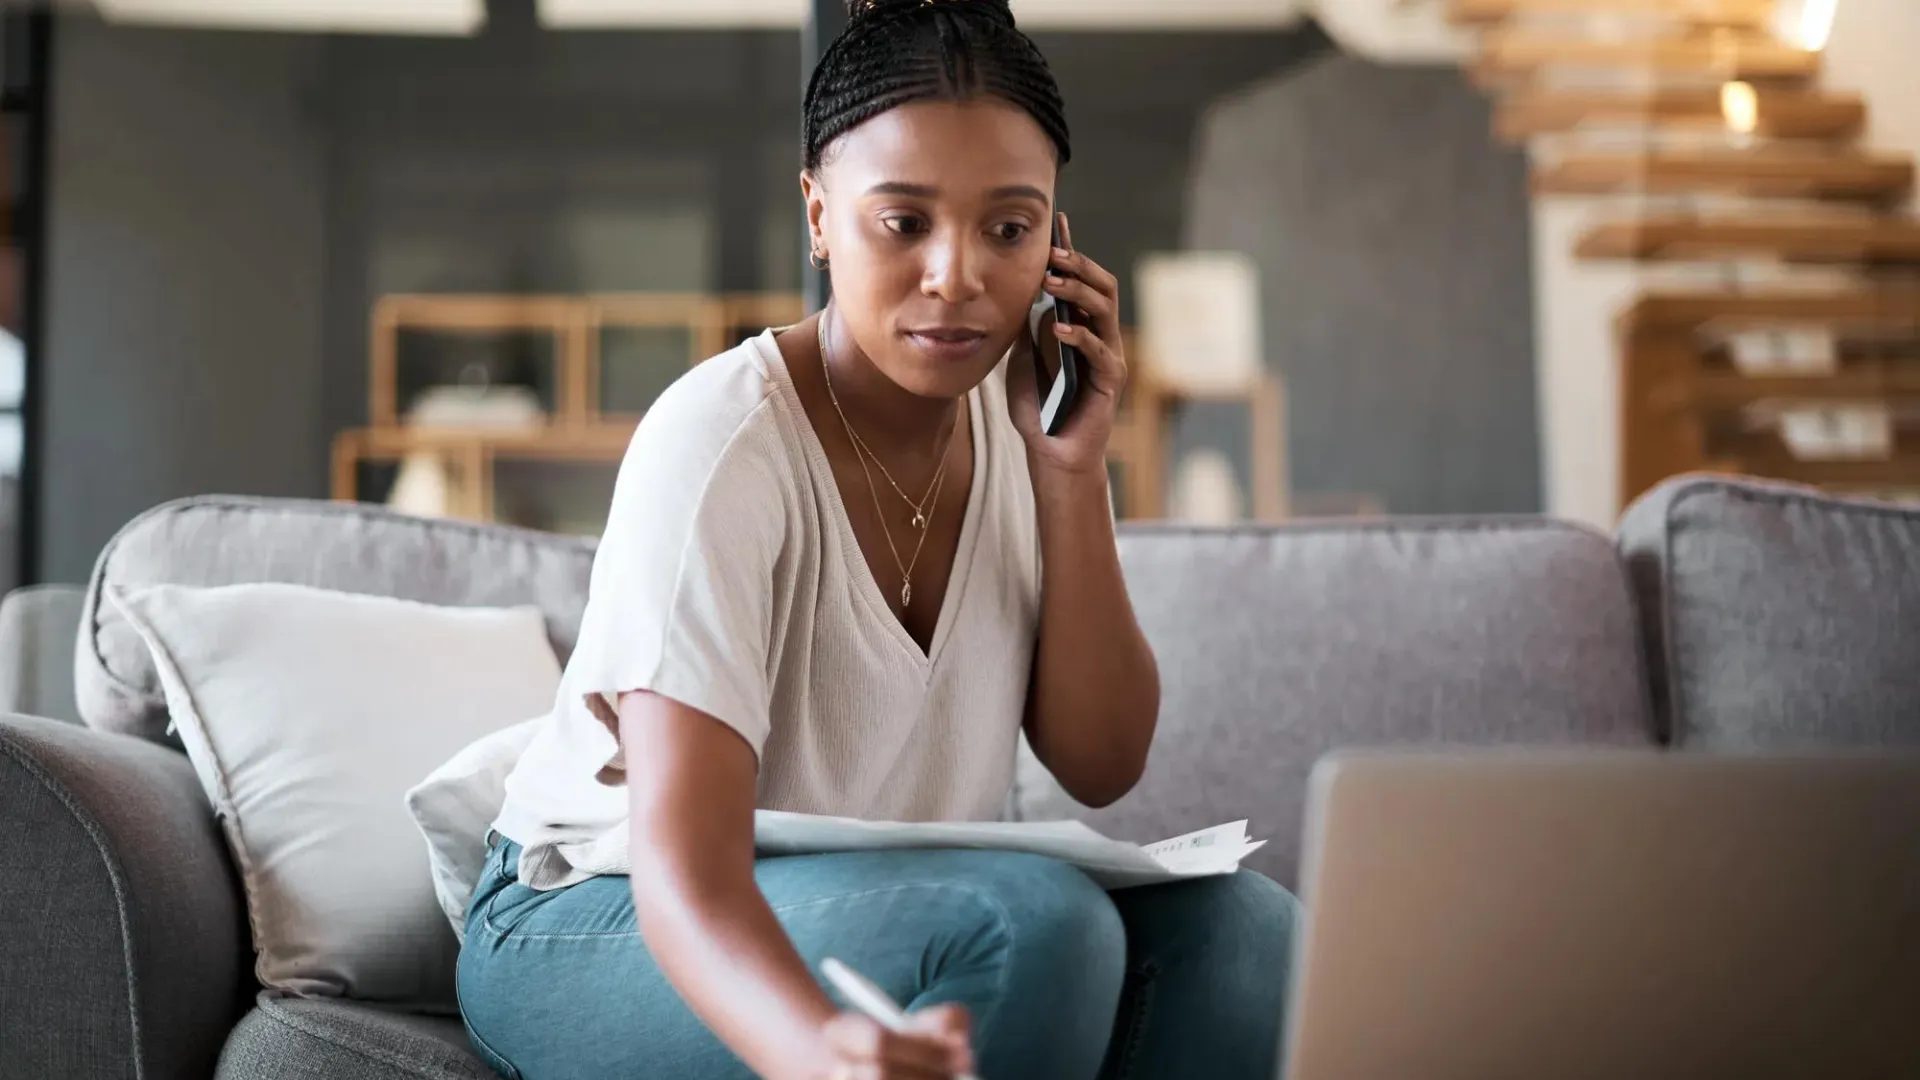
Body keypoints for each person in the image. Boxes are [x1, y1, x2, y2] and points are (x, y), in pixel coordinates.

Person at [455, 2, 1298, 1077]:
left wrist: (1072, 471)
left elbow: (1100, 761)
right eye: (903, 223)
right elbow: (683, 873)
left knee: (1246, 932)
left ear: (1056, 241)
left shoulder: (1022, 424)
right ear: (818, 214)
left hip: (864, 907)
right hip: (590, 918)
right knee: (1034, 924)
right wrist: (819, 1055)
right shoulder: (721, 442)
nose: (958, 276)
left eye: (1009, 227)